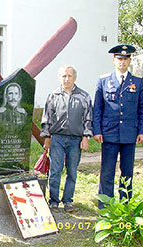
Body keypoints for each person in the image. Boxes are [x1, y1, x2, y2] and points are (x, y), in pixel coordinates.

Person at [93, 44, 143, 209]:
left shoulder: (137, 82)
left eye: (125, 59)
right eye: (119, 59)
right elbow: (98, 109)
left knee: (127, 172)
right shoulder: (104, 81)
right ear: (114, 60)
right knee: (107, 172)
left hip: (129, 134)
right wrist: (97, 130)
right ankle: (105, 205)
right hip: (109, 133)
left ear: (129, 60)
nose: (122, 62)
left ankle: (125, 205)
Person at [41, 65, 92, 212]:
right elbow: (47, 118)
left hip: (76, 140)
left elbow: (88, 119)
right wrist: (47, 137)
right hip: (57, 138)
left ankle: (68, 200)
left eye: (69, 76)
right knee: (55, 170)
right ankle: (54, 201)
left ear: (75, 78)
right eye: (64, 76)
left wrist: (86, 137)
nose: (67, 79)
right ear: (59, 77)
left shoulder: (84, 96)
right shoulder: (53, 96)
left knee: (72, 170)